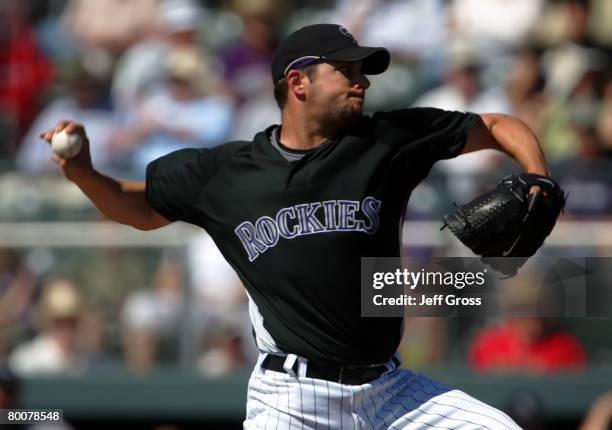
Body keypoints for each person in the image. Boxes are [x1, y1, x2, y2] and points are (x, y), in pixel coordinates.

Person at [40, 23, 550, 429]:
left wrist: (537, 178)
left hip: (394, 395)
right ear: (298, 81)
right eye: (346, 69)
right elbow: (139, 208)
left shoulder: (386, 141)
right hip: (293, 402)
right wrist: (85, 173)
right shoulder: (226, 172)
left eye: (363, 70)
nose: (362, 80)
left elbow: (498, 126)